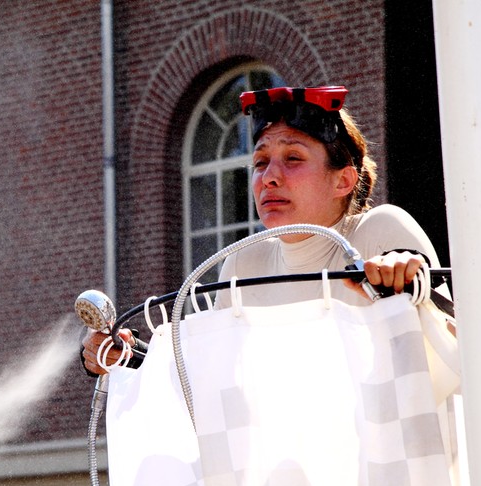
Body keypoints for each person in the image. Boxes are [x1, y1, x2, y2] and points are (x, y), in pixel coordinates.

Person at [81, 86, 442, 375]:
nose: (269, 177)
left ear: (344, 180)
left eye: (294, 158)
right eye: (259, 162)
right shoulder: (244, 262)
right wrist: (126, 355)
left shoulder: (378, 230)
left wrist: (407, 276)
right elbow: (209, 379)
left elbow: (457, 345)